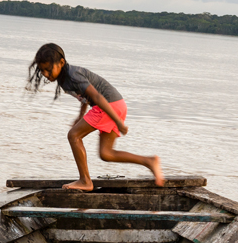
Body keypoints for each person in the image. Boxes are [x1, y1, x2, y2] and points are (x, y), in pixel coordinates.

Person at [27, 43, 164, 191]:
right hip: (117, 104)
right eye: (42, 70)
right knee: (106, 153)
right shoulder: (64, 77)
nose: (45, 74)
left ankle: (85, 181)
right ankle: (149, 161)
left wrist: (118, 122)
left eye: (48, 69)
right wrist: (80, 116)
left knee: (73, 136)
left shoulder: (73, 75)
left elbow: (97, 97)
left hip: (108, 105)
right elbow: (85, 97)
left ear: (61, 62)